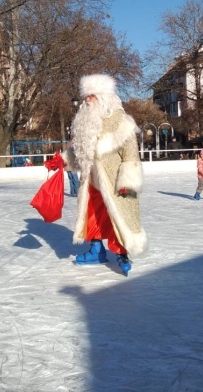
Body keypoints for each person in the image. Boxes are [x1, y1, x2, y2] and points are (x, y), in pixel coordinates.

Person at [45, 74, 146, 276]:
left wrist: (128, 183)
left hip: (114, 180)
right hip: (91, 181)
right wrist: (63, 160)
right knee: (93, 214)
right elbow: (80, 149)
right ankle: (96, 249)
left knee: (118, 215)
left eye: (92, 96)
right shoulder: (86, 122)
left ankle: (122, 252)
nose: (87, 101)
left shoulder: (120, 121)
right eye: (86, 96)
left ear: (103, 98)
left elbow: (131, 154)